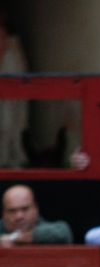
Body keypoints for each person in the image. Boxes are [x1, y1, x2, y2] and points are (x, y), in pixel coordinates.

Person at [0, 10, 28, 169]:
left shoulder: (13, 44)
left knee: (11, 125)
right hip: (9, 91)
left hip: (13, 90)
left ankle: (11, 161)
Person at [0, 184, 72, 246]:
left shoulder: (47, 228)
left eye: (25, 209)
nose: (19, 216)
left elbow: (63, 233)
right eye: (12, 211)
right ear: (4, 213)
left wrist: (20, 238)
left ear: (36, 209)